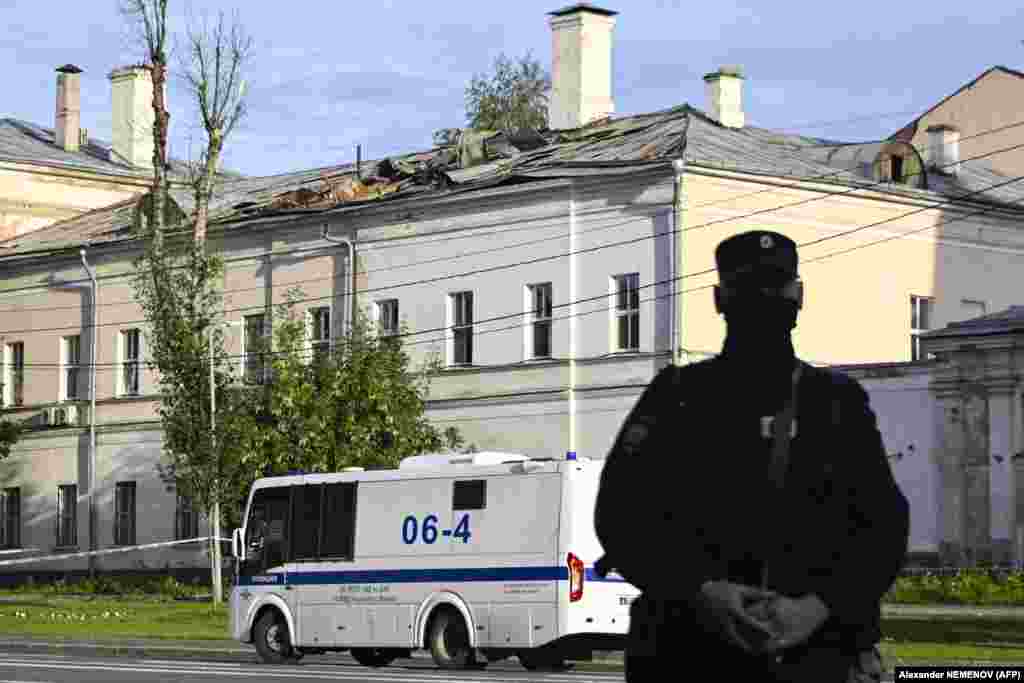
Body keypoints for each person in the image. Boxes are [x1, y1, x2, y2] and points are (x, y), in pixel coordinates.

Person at [593, 229, 910, 682]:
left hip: (813, 655)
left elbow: (882, 528)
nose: (763, 297)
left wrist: (819, 607)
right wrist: (698, 591)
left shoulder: (837, 402)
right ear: (721, 298)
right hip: (690, 652)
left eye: (773, 285)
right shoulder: (676, 396)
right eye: (750, 286)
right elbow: (621, 516)